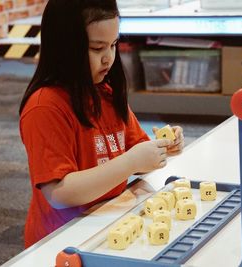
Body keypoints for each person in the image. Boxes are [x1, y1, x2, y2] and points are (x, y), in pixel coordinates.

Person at [19, 0, 184, 248]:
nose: (109, 58)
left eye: (114, 45)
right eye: (97, 48)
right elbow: (60, 193)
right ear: (65, 47)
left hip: (106, 224)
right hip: (61, 240)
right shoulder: (44, 107)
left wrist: (160, 147)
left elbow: (135, 151)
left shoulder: (105, 92)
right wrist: (131, 161)